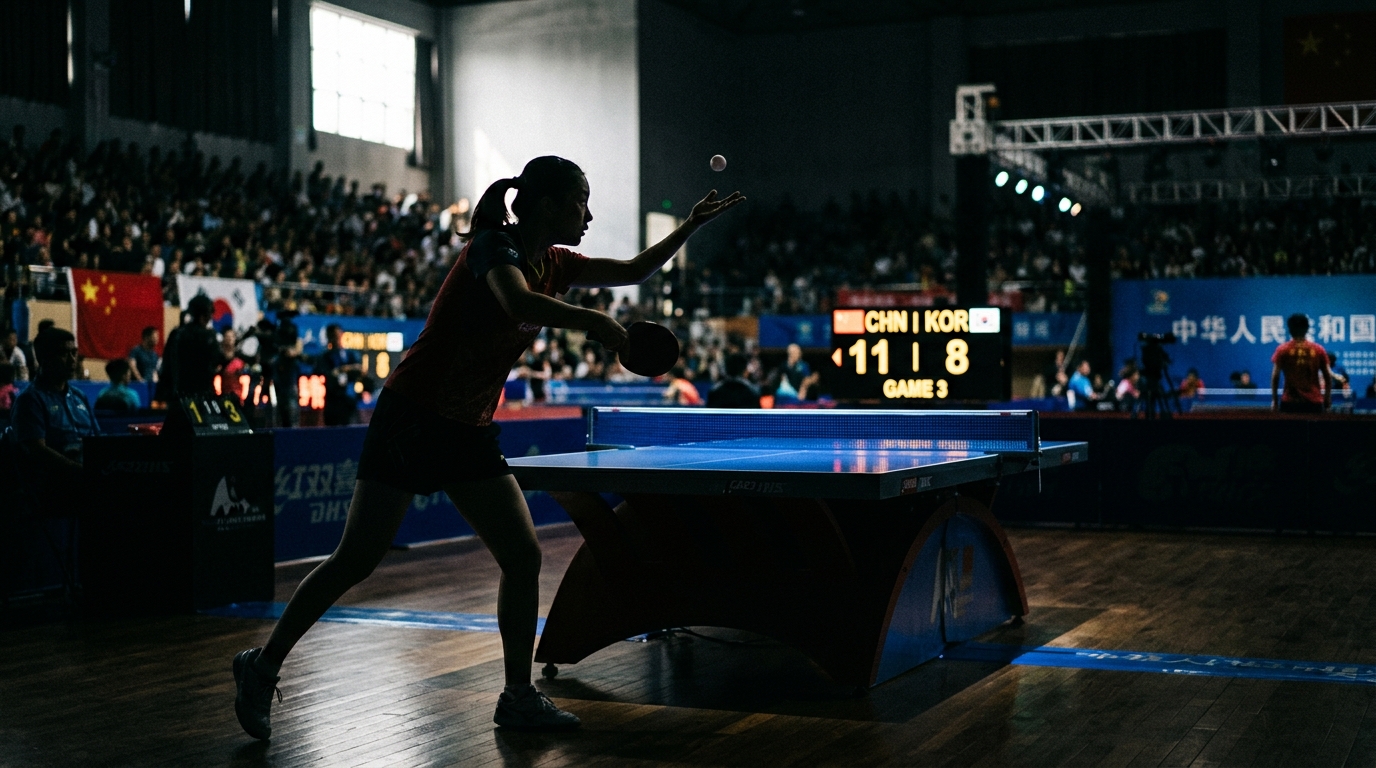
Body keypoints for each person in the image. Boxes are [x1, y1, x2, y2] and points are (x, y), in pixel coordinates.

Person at [231, 156, 743, 739]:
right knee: (357, 559)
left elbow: (631, 270)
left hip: (468, 428)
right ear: (547, 204)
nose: (589, 213)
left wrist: (690, 226)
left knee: (521, 556)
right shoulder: (493, 249)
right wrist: (593, 323)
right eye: (582, 199)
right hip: (414, 416)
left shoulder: (557, 262)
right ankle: (262, 664)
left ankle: (517, 697)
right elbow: (517, 303)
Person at [10, 328, 100, 514]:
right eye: (63, 353)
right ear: (44, 359)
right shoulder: (30, 400)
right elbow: (37, 451)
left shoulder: (80, 397)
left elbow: (98, 439)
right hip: (51, 490)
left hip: (87, 482)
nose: (72, 359)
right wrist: (82, 472)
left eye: (74, 352)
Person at [1271, 313, 1331, 414]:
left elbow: (1275, 376)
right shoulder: (1318, 350)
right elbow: (1327, 376)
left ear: (1289, 329)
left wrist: (1275, 401)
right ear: (1307, 329)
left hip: (1290, 403)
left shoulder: (1282, 350)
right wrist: (1327, 399)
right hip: (1314, 403)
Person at [171, 296, 221, 397]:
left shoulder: (177, 334)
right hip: (202, 393)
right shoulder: (208, 336)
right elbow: (217, 359)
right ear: (205, 315)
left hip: (180, 392)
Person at [318, 323, 362, 426]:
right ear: (329, 337)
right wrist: (342, 370)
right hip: (332, 402)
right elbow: (325, 374)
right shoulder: (324, 357)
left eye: (339, 335)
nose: (337, 338)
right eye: (334, 335)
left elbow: (360, 370)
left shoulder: (350, 355)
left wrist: (347, 370)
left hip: (349, 401)